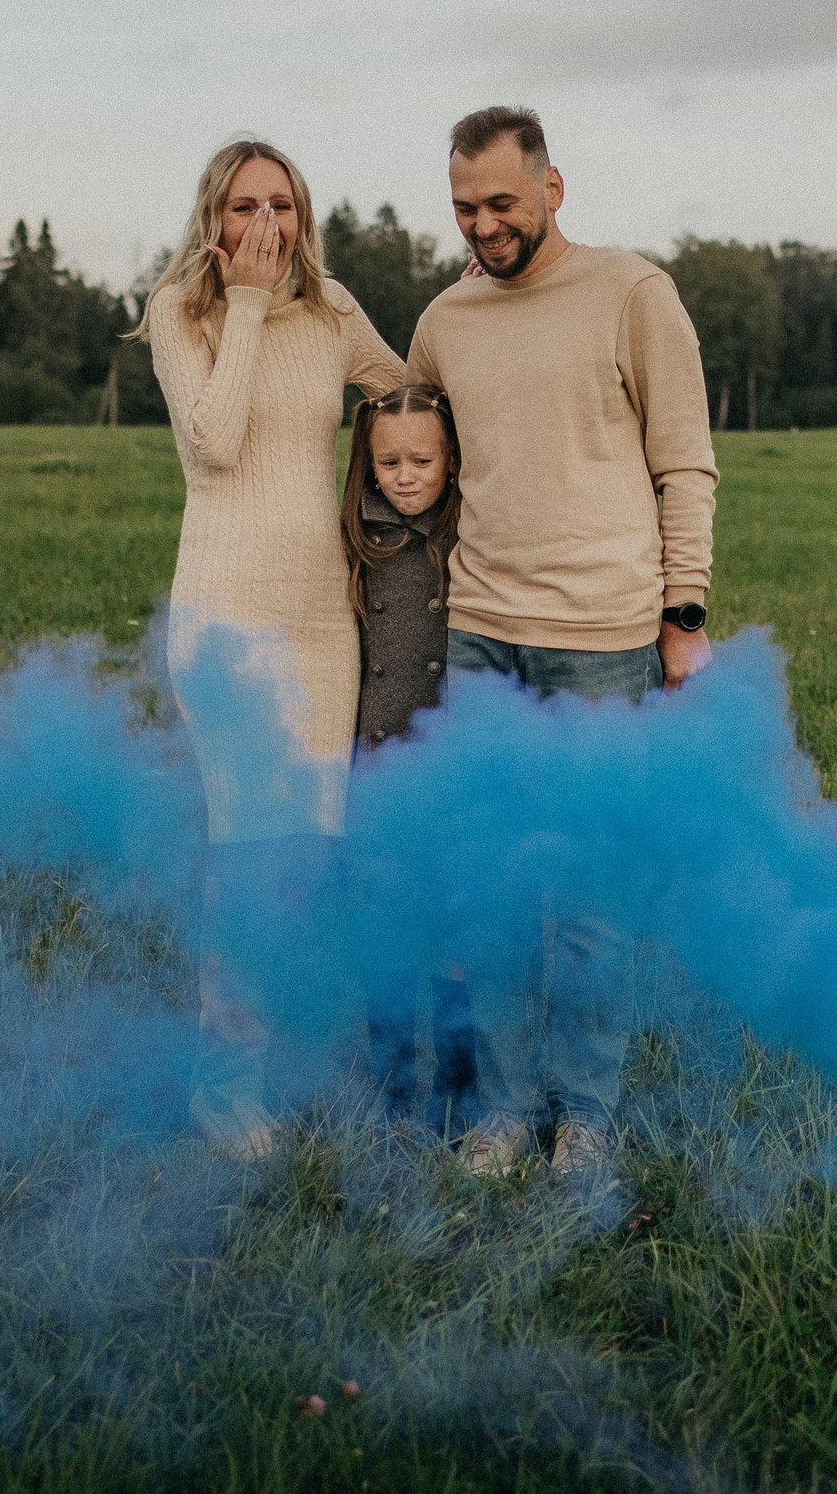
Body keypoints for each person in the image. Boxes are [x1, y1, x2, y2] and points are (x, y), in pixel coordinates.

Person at [406, 104, 718, 1182]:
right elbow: (411, 444)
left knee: (589, 904)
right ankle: (498, 1112)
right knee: (492, 895)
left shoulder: (633, 293)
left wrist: (684, 616)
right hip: (479, 637)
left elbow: (685, 462)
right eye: (464, 207)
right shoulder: (445, 319)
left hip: (602, 640)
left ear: (552, 187)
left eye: (501, 201)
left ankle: (583, 1115)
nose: (483, 224)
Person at [139, 138, 406, 1156]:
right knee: (249, 856)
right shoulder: (183, 312)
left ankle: (303, 1064)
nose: (265, 224)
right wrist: (246, 305)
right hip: (228, 619)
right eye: (245, 204)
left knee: (311, 855)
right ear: (214, 216)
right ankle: (222, 1090)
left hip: (324, 621)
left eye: (282, 205)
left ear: (304, 216)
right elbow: (214, 441)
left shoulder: (333, 310)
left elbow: (408, 392)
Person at [339, 383, 472, 1127]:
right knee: (385, 933)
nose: (406, 476)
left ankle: (460, 1094)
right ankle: (392, 1093)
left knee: (455, 934)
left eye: (422, 460)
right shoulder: (355, 537)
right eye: (388, 463)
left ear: (452, 459)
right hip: (379, 766)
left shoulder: (472, 531)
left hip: (451, 768)